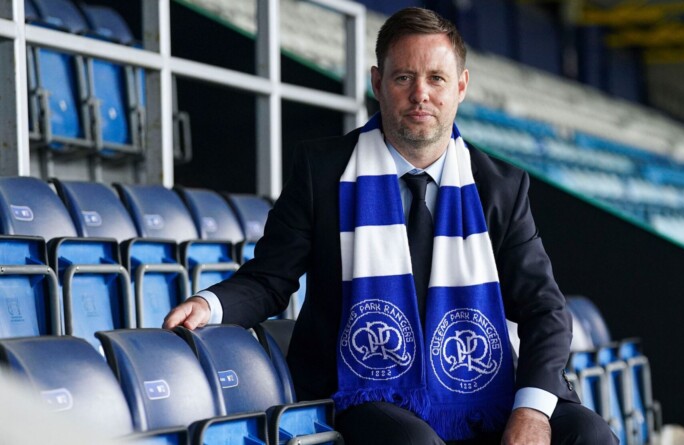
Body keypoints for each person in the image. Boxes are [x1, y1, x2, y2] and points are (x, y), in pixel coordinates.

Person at [164, 7, 616, 445]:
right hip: (360, 386)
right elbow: (269, 279)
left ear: (461, 86)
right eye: (404, 78)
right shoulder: (323, 172)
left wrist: (531, 411)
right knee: (411, 439)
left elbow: (545, 310)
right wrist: (210, 304)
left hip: (476, 385)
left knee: (588, 433)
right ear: (377, 83)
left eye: (436, 78)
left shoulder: (500, 187)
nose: (421, 94)